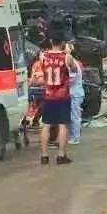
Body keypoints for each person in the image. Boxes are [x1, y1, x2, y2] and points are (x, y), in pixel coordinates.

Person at [37, 26, 72, 166]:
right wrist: (68, 52)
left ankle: (44, 156)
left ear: (51, 40)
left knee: (46, 124)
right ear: (62, 42)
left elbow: (44, 70)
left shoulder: (42, 56)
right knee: (63, 124)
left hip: (48, 95)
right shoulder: (66, 57)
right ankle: (61, 155)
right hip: (62, 96)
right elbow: (74, 69)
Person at [67, 42, 86, 145]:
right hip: (74, 93)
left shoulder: (72, 63)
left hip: (75, 93)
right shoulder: (73, 62)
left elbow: (71, 80)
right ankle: (73, 136)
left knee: (74, 116)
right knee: (73, 116)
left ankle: (75, 137)